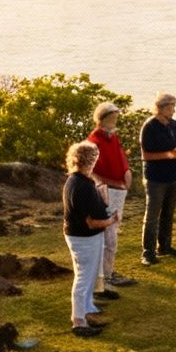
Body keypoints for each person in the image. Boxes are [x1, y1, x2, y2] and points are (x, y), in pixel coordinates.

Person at [61, 142, 116, 338]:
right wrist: (111, 220)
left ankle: (87, 307)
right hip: (83, 237)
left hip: (85, 236)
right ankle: (78, 320)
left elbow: (96, 209)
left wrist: (102, 199)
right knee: (84, 277)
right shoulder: (80, 186)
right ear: (88, 161)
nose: (96, 162)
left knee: (90, 273)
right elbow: (91, 222)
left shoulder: (79, 181)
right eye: (94, 158)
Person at [86, 102, 138, 295]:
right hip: (107, 193)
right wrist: (104, 185)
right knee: (108, 236)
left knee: (113, 232)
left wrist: (126, 172)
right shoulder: (93, 141)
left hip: (118, 190)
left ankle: (108, 272)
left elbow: (120, 156)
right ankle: (104, 276)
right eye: (113, 117)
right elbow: (90, 171)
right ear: (104, 118)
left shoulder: (112, 137)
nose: (115, 120)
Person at [139, 92, 176, 265]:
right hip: (155, 178)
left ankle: (165, 246)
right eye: (171, 107)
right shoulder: (150, 126)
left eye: (174, 106)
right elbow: (146, 154)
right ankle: (147, 252)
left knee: (168, 213)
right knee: (152, 215)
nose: (173, 110)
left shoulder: (174, 125)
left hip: (173, 176)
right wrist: (169, 154)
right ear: (161, 108)